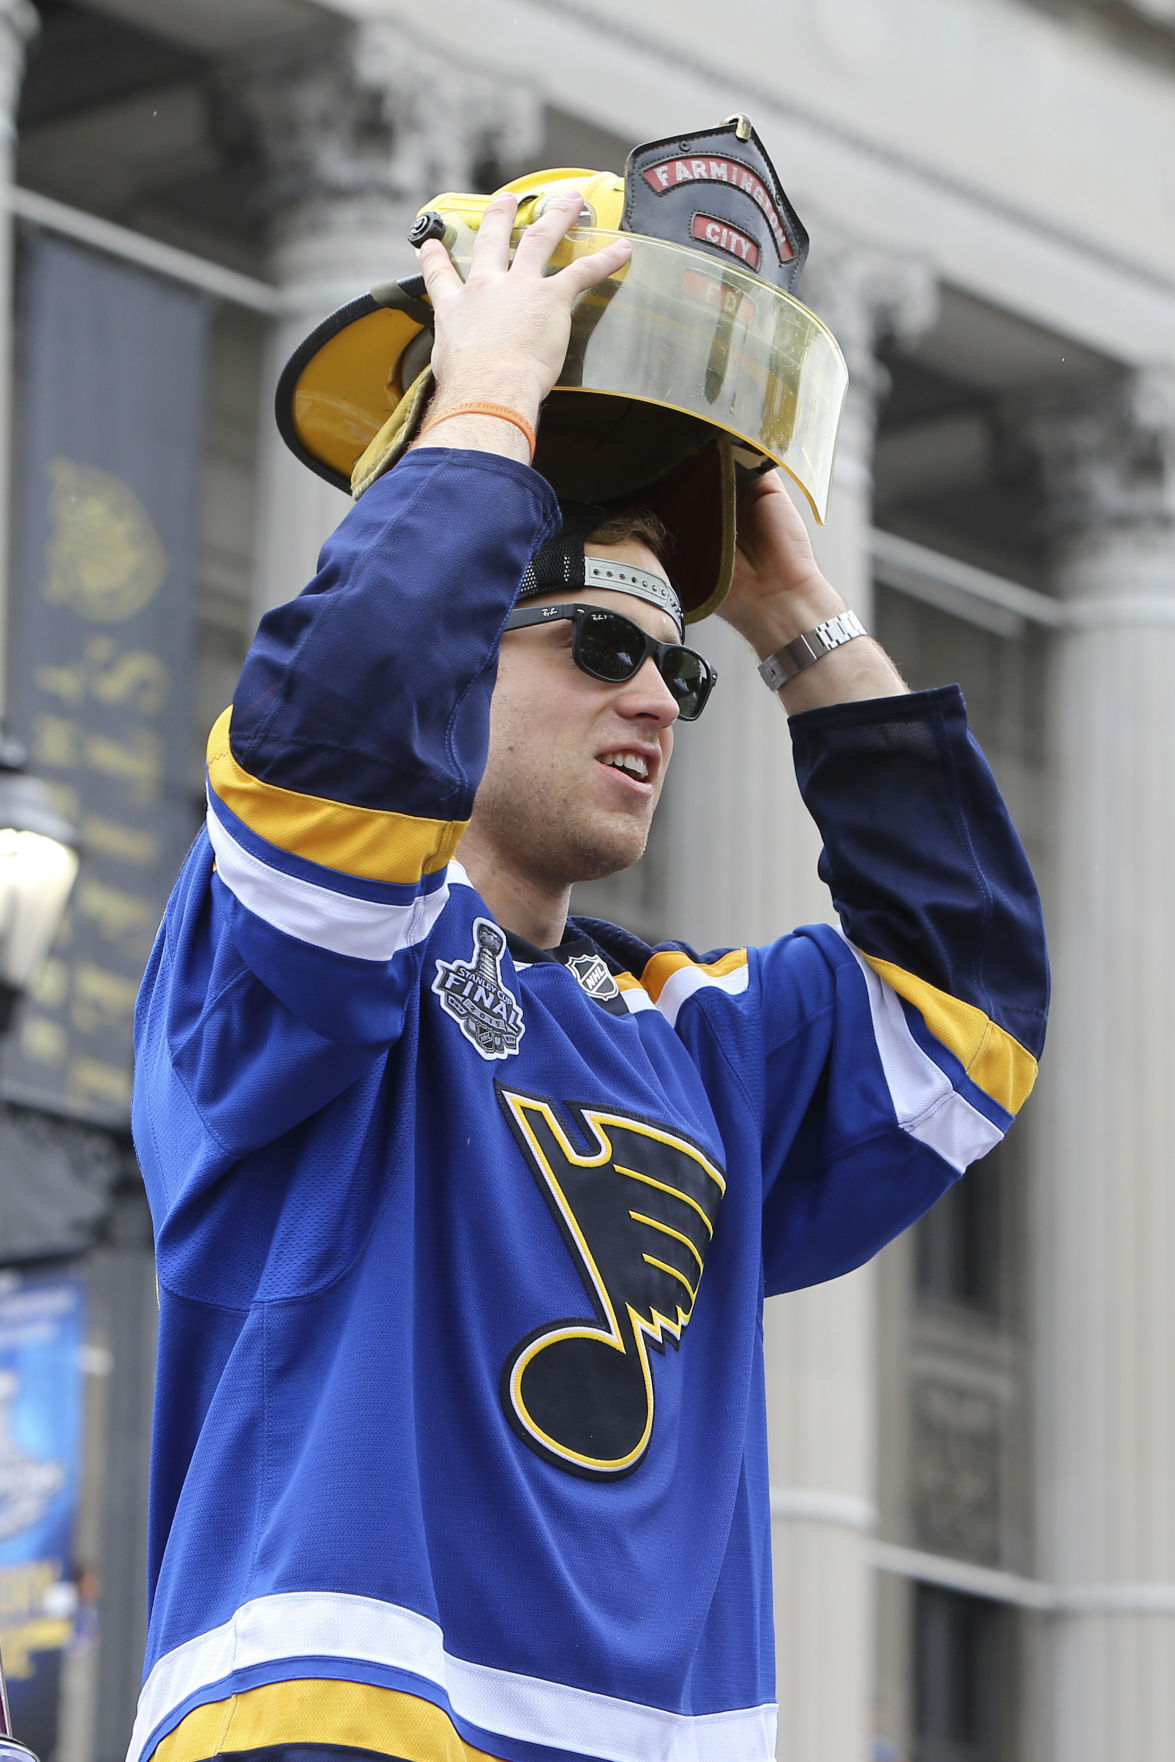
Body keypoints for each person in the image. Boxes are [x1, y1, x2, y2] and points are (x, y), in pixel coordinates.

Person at [127, 188, 1047, 1762]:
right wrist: (485, 408)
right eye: (600, 652)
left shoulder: (701, 1037)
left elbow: (970, 998)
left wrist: (793, 612)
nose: (660, 702)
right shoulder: (301, 952)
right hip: (352, 1723)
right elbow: (330, 727)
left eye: (674, 663)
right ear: (458, 646)